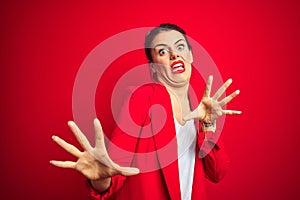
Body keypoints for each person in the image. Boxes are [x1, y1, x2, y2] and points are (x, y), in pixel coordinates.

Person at [50, 23, 241, 200]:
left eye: (180, 47)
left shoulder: (200, 110)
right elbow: (115, 168)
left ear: (190, 55)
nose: (174, 54)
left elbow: (217, 173)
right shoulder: (142, 97)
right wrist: (100, 178)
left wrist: (208, 125)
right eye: (163, 51)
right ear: (154, 68)